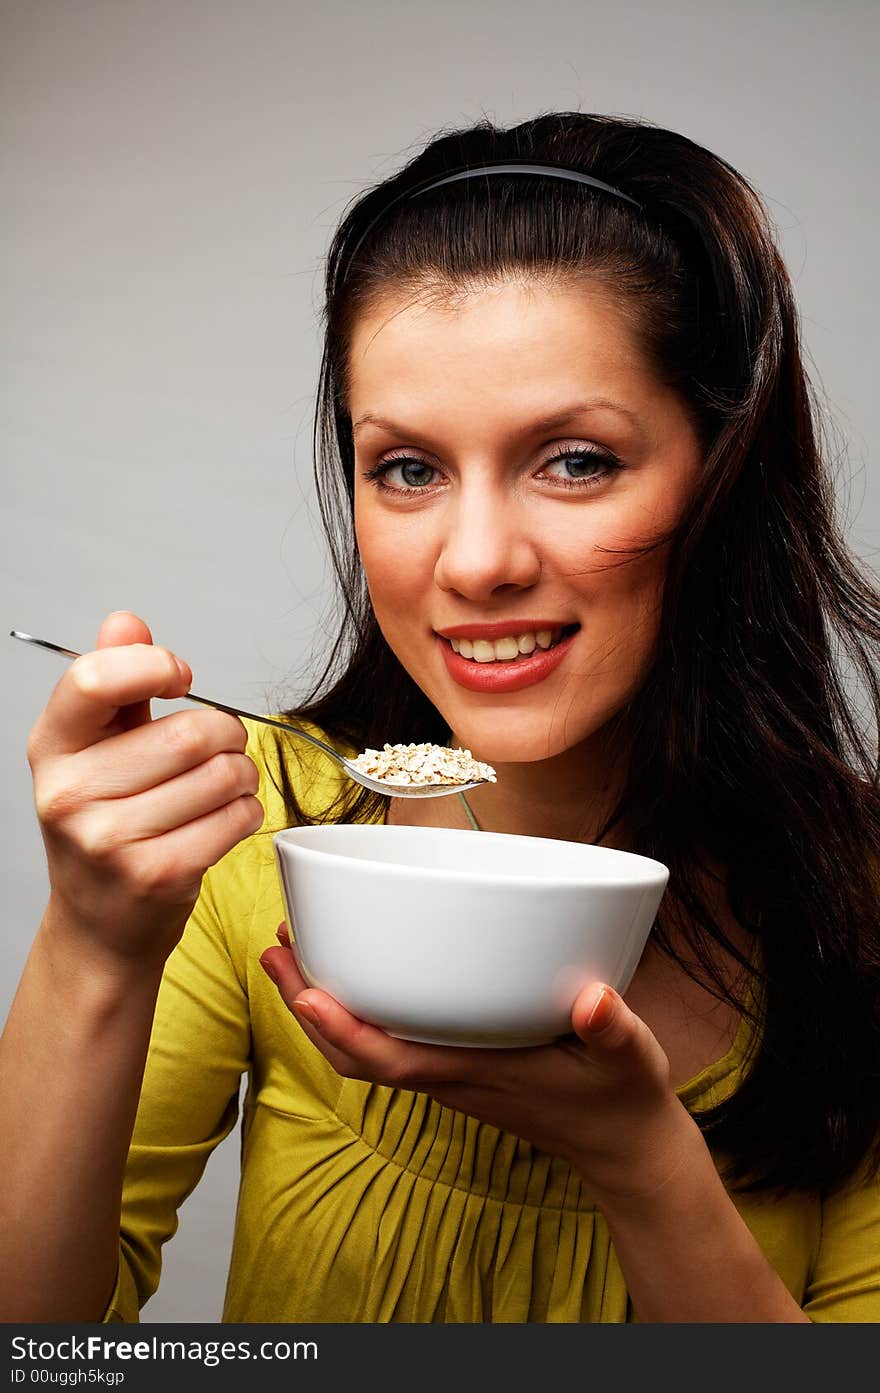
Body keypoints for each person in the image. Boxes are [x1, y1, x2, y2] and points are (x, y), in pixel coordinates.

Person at [2, 110, 879, 1325]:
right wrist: (92, 951)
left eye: (574, 460)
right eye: (406, 468)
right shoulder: (261, 830)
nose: (472, 563)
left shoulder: (858, 904)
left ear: (725, 477)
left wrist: (638, 1157)